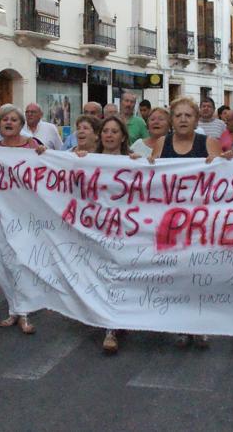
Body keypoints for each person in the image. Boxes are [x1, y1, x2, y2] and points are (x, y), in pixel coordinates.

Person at [152, 96, 220, 349]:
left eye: (187, 116)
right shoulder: (162, 143)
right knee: (176, 275)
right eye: (178, 115)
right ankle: (180, 324)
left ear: (196, 120)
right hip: (169, 220)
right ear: (172, 120)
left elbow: (223, 178)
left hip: (200, 222)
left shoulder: (208, 143)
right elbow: (150, 176)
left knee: (199, 275)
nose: (182, 120)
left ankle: (200, 325)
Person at [0, 104, 45, 334]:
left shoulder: (32, 146)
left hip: (26, 213)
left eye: (14, 119)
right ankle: (14, 308)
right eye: (4, 119)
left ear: (21, 125)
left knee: (23, 261)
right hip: (1, 214)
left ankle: (24, 312)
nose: (8, 122)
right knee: (6, 261)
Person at [95, 115, 137, 354]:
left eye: (114, 131)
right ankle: (110, 325)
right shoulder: (87, 159)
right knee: (105, 275)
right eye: (105, 131)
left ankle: (119, 319)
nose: (109, 135)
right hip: (96, 227)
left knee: (121, 275)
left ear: (123, 136)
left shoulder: (133, 161)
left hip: (126, 229)